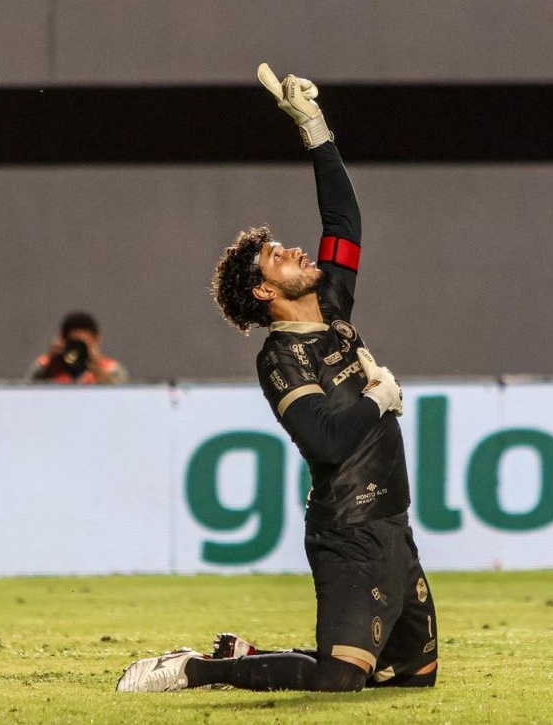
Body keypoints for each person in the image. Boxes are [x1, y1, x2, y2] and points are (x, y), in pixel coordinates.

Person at [116, 63, 438, 693]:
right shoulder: (279, 360)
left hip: (395, 530)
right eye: (277, 256)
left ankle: (255, 651)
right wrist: (377, 399)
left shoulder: (333, 306)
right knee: (341, 679)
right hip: (348, 535)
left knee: (414, 678)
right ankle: (197, 668)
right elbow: (324, 440)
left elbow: (344, 223)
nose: (295, 251)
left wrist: (315, 130)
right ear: (266, 291)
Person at [26, 311, 128, 384]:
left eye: (82, 344)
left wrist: (97, 368)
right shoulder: (44, 364)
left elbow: (118, 397)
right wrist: (50, 365)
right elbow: (29, 391)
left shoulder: (112, 369)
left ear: (96, 339)